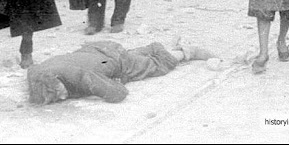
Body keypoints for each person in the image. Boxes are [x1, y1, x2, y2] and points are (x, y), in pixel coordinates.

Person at [27, 40, 216, 104]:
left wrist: (119, 81)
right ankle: (152, 47)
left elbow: (118, 93)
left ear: (57, 81)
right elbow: (31, 72)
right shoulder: (40, 72)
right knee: (128, 58)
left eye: (58, 93)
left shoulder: (80, 76)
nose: (61, 98)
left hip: (116, 59)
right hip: (98, 49)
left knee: (157, 66)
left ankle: (185, 52)